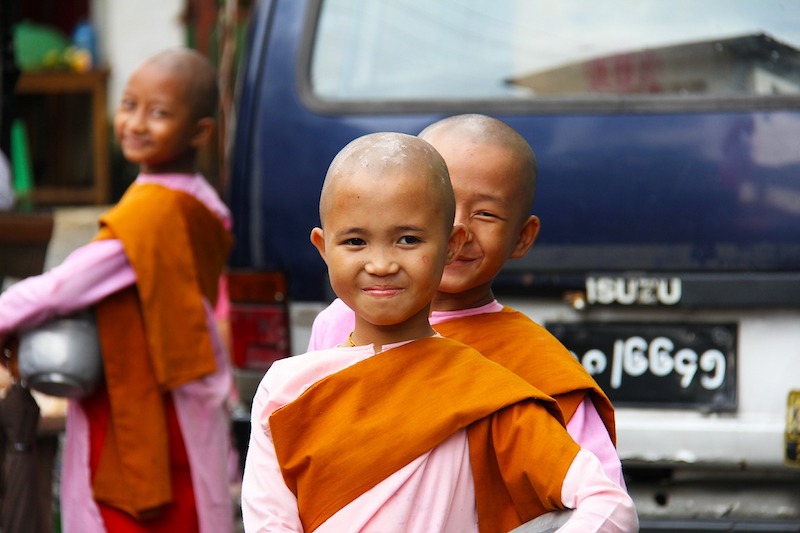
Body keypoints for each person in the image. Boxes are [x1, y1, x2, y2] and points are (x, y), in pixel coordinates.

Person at [241, 131, 638, 532]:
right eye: (356, 240)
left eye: (408, 239)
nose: (381, 264)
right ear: (323, 247)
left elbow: (606, 504)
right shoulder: (287, 389)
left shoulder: (491, 390)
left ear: (451, 243)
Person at [307, 114, 625, 488]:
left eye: (486, 213)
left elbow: (601, 496)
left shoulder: (537, 363)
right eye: (442, 205)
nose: (460, 228)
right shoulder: (339, 324)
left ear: (523, 237)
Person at [0, 47, 235, 532]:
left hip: (145, 395)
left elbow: (64, 288)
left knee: (141, 507)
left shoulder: (154, 211)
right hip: (182, 381)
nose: (136, 123)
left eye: (160, 113)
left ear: (200, 132)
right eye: (129, 105)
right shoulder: (200, 199)